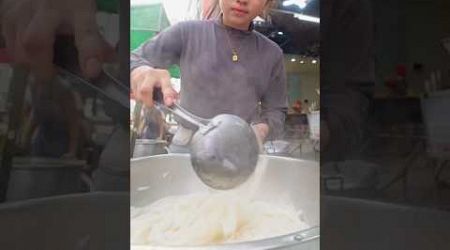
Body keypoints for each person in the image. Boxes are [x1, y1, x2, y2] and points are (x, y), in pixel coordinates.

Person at [130, 0, 288, 153]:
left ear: (266, 3)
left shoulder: (272, 54)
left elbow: (276, 110)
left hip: (241, 154)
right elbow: (134, 59)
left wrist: (261, 130)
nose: (242, 0)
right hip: (186, 148)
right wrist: (141, 71)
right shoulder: (187, 32)